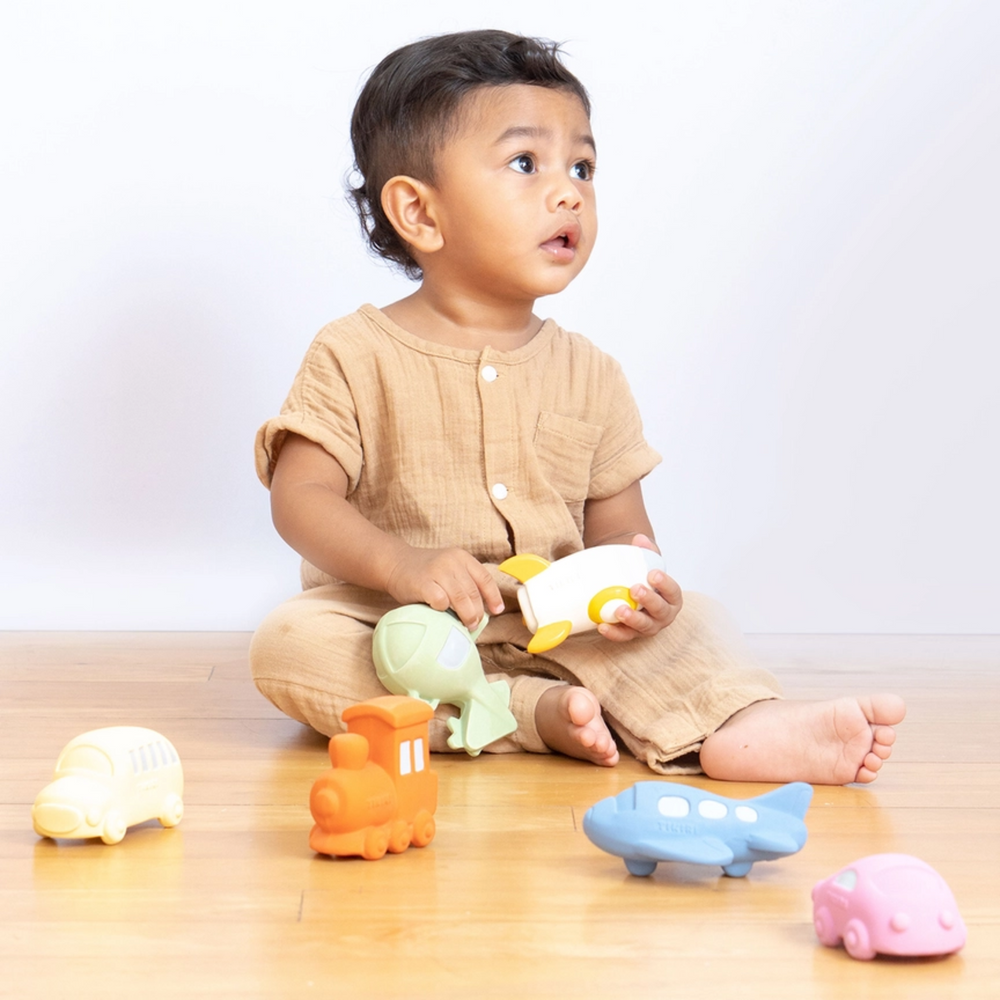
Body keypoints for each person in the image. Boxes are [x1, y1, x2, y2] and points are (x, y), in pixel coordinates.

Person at [250, 29, 905, 782]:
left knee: (700, 618)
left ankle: (742, 727)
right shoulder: (352, 351)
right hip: (402, 632)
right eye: (526, 163)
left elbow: (623, 532)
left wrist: (638, 587)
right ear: (420, 213)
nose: (569, 191)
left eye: (583, 167)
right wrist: (399, 566)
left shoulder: (592, 373)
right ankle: (523, 716)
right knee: (292, 641)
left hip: (559, 631)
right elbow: (299, 498)